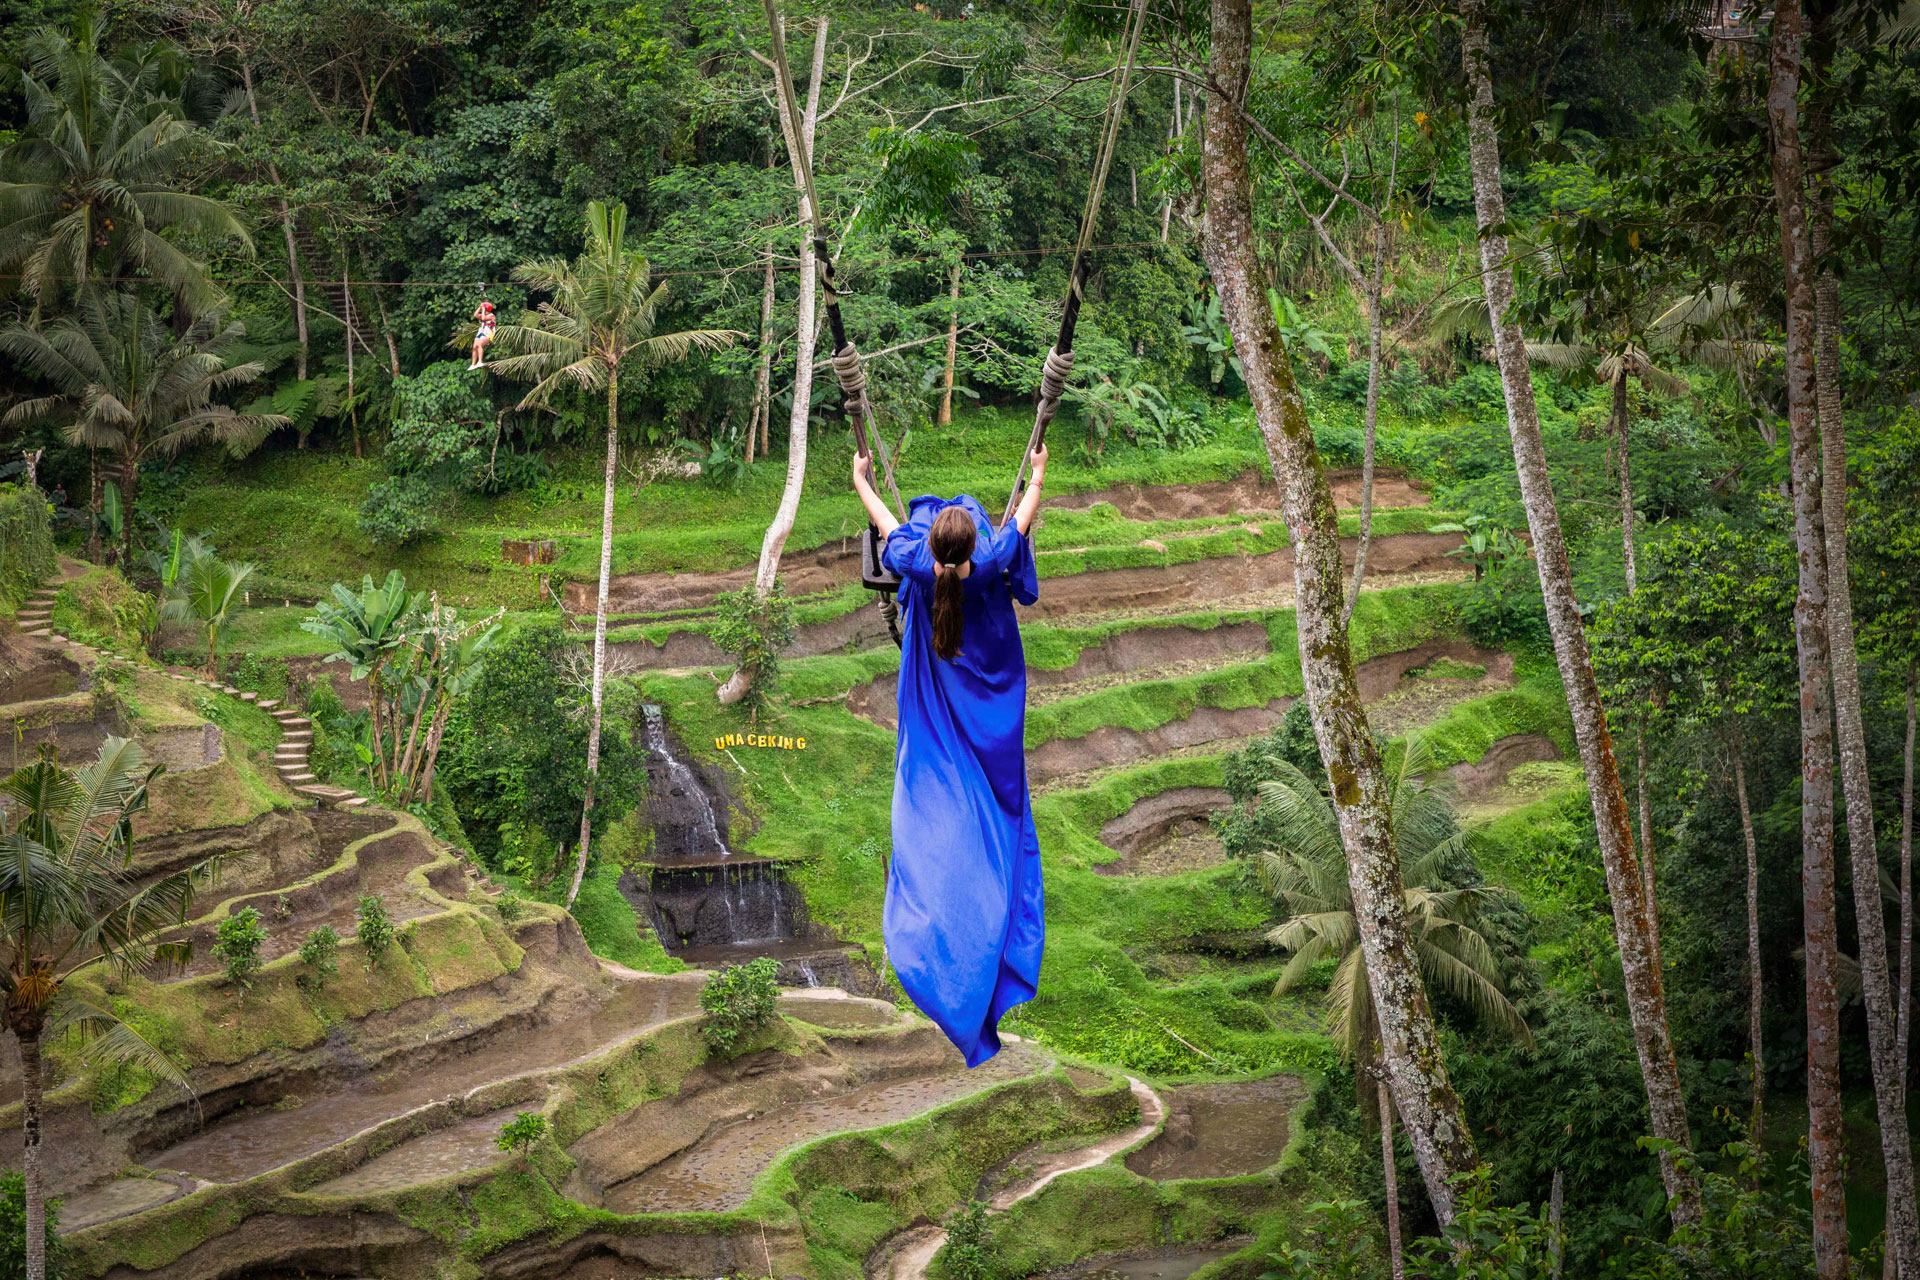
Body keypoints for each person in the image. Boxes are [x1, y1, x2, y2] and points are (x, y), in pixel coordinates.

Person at [852, 445, 1049, 1066]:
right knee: (999, 813)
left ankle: (944, 950)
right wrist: (1037, 472)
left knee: (929, 802)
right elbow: (1022, 519)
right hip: (989, 704)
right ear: (968, 548)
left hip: (934, 703)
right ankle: (991, 949)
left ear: (935, 549)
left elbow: (885, 519)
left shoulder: (913, 562)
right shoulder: (989, 562)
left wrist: (861, 479)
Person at [469, 300, 497, 370]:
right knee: (474, 347)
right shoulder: (483, 314)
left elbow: (484, 318)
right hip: (481, 331)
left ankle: (480, 362)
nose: (482, 311)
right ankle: (473, 364)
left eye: (484, 310)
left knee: (479, 345)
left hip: (488, 333)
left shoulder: (491, 315)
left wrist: (483, 309)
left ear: (487, 310)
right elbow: (475, 315)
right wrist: (480, 307)